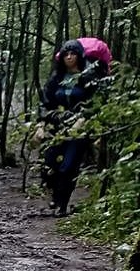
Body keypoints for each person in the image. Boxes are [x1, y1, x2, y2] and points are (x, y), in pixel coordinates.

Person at [40, 39, 103, 217]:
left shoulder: (88, 77)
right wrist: (42, 123)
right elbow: (46, 102)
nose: (69, 57)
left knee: (68, 166)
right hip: (56, 127)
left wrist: (84, 118)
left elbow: (95, 102)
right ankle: (54, 194)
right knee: (50, 162)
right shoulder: (56, 78)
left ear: (79, 56)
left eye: (73, 53)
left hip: (79, 129)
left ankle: (62, 204)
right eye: (66, 54)